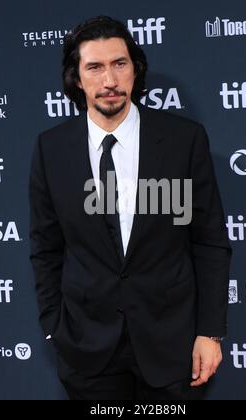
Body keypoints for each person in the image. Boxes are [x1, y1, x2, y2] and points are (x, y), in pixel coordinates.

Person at [29, 15, 232, 400]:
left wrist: (209, 332)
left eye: (119, 64)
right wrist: (56, 329)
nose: (109, 81)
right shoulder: (50, 150)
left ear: (135, 71)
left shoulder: (182, 140)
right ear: (76, 78)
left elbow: (209, 242)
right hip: (88, 352)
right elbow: (46, 248)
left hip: (173, 348)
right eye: (95, 67)